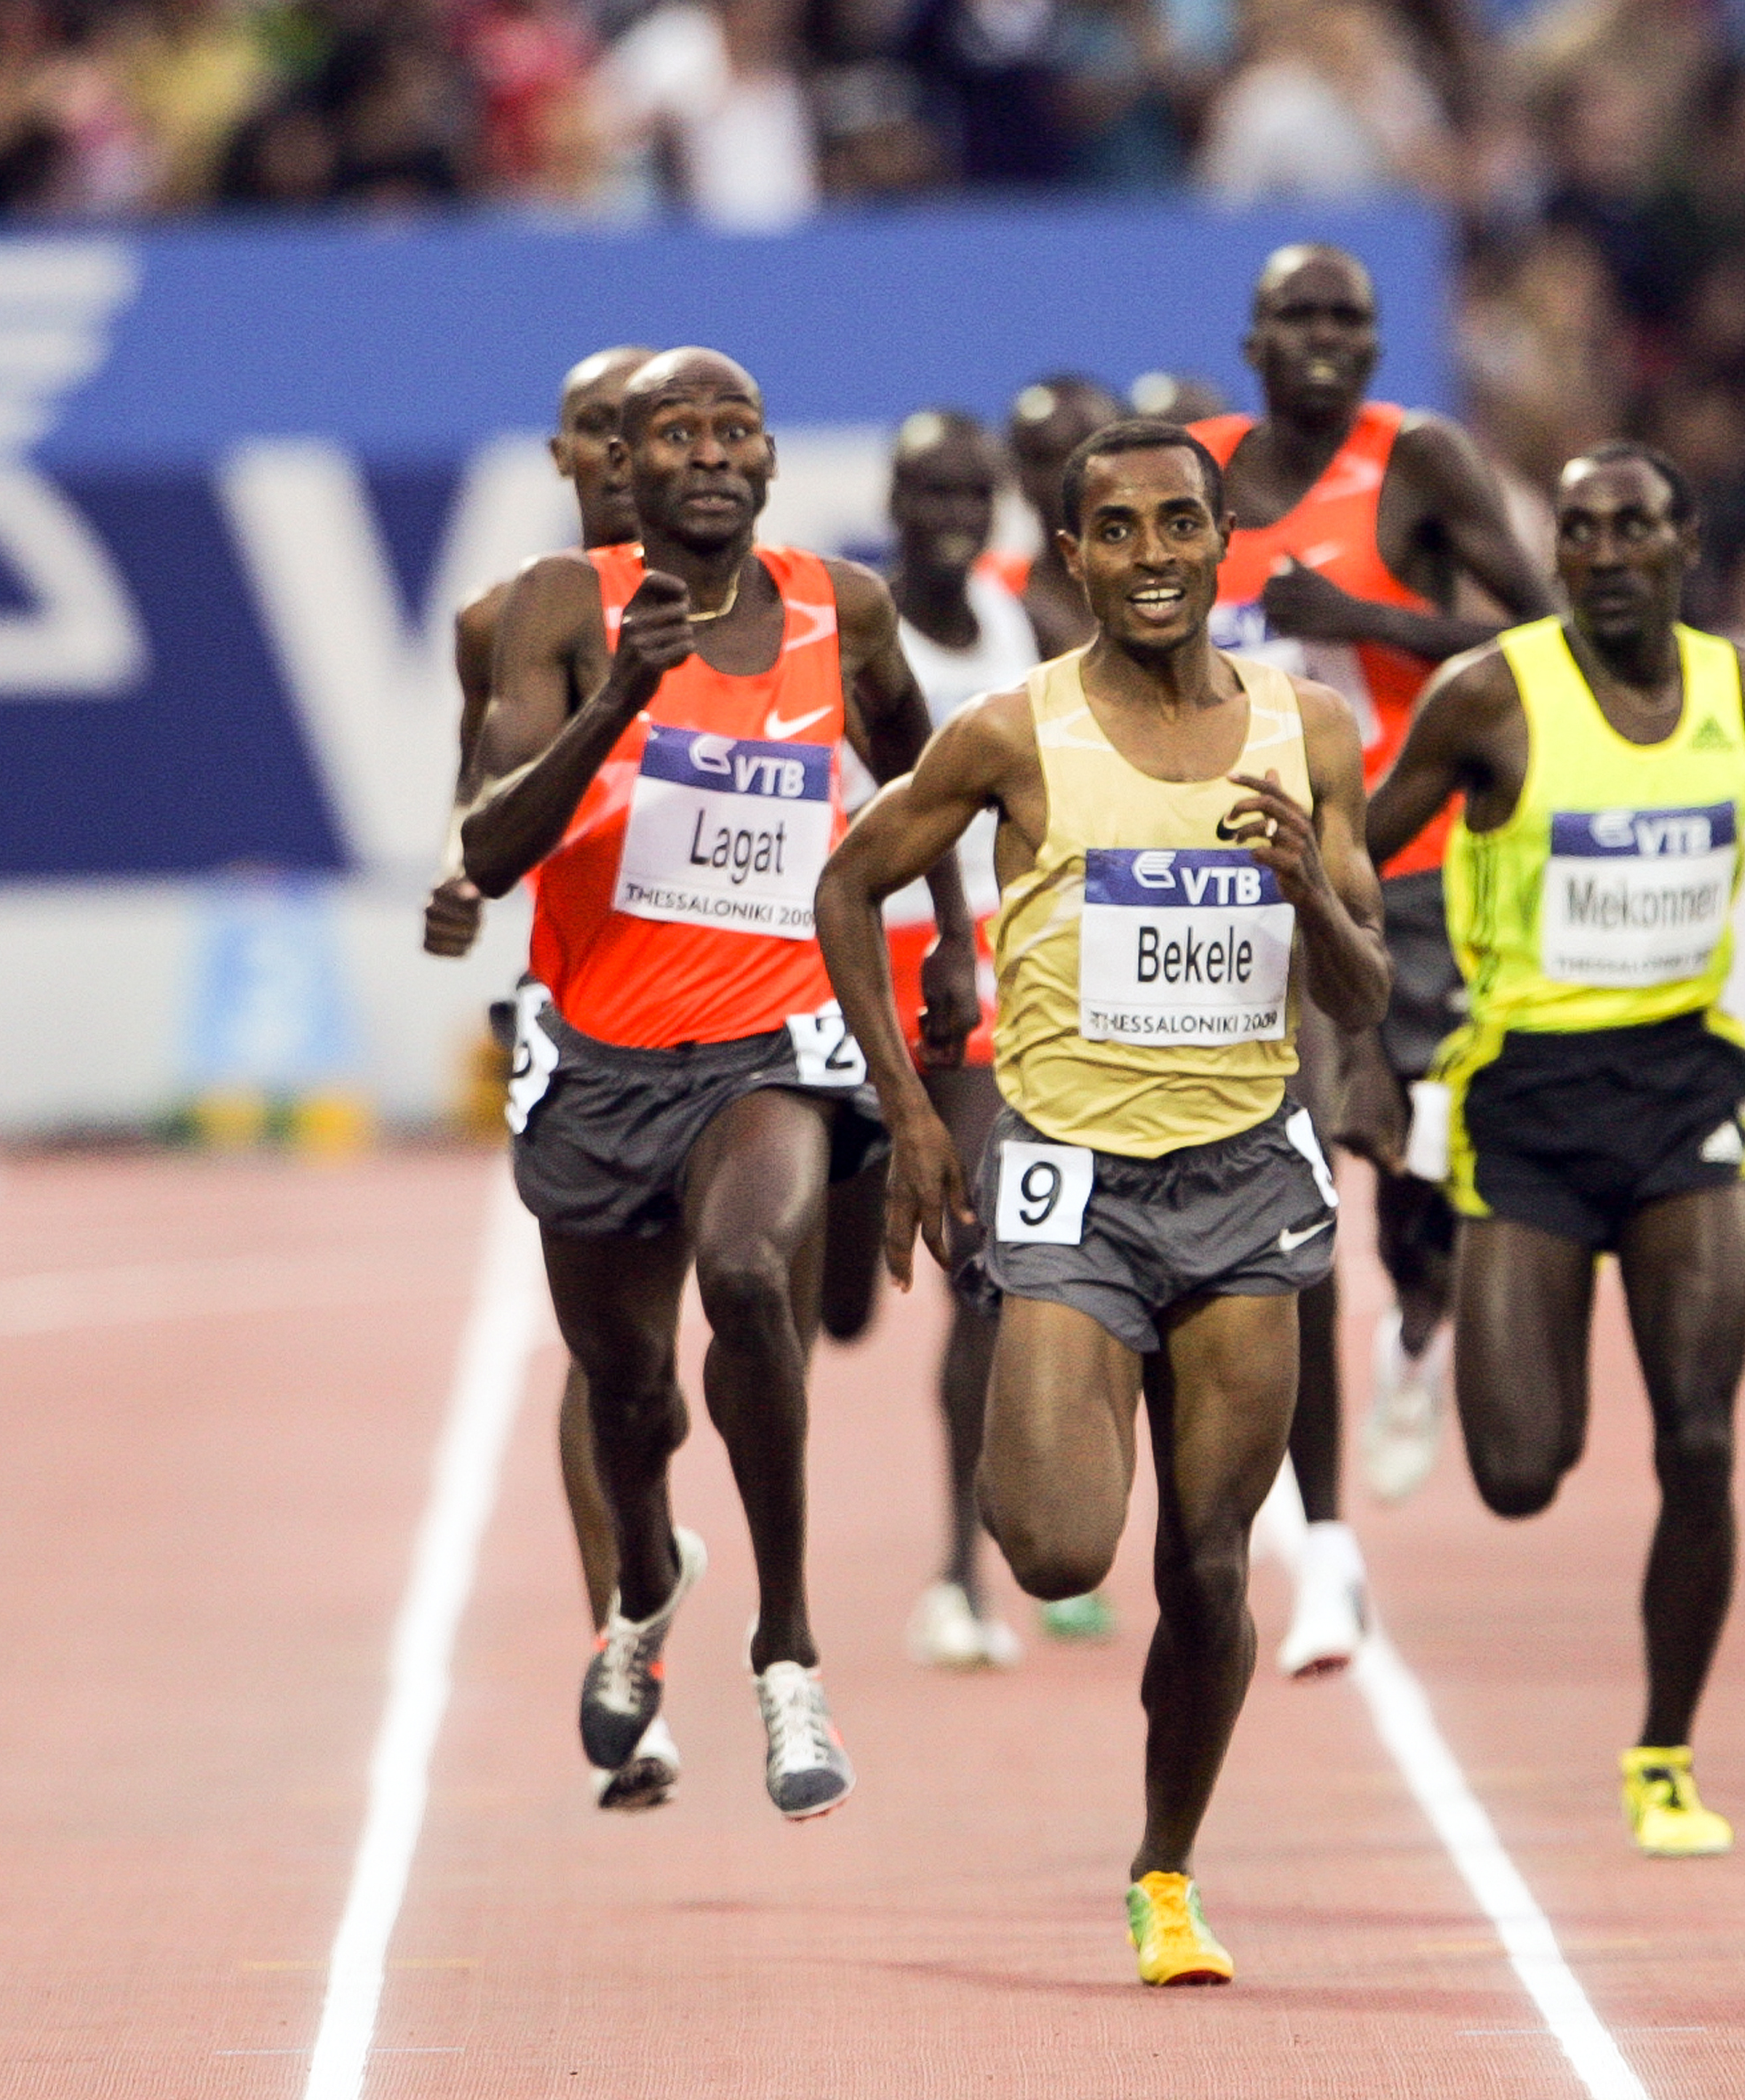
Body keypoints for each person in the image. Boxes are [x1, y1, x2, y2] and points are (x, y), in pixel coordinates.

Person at [817, 421, 1390, 1984]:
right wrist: (911, 1105)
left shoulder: (1309, 728)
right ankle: (1077, 1408)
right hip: (1072, 1180)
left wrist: (1300, 899)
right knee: (1061, 1553)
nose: (1151, 556)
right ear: (1070, 557)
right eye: (1117, 531)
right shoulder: (1010, 731)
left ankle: (1164, 1871)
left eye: (1179, 526)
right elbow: (847, 883)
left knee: (1206, 1561)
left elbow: (1363, 978)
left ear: (1223, 545)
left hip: (1245, 1186)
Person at [422, 349, 948, 1804]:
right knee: (628, 1388)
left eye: (738, 432)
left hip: (770, 1036)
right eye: (672, 435)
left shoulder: (841, 609)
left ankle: (788, 1654)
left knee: (742, 1278)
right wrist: (615, 703)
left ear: (768, 462)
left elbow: (929, 775)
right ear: (618, 467)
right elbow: (487, 840)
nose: (709, 454)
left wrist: (951, 939)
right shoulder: (547, 611)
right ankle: (645, 1577)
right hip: (595, 1043)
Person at [1365, 443, 1745, 1857]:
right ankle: (1425, 1306)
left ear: (1683, 538)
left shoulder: (1741, 695)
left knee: (1701, 1434)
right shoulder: (1491, 695)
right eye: (1578, 529)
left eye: (1630, 526)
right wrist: (1350, 1030)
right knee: (1521, 1472)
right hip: (1524, 1104)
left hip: (1681, 1092)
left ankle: (1662, 1751)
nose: (1601, 550)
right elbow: (1356, 856)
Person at [1189, 240, 1554, 1679]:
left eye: (1351, 318)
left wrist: (1368, 621)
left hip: (1408, 873)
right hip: (1241, 895)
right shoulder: (1198, 473)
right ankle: (1325, 1544)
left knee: (1419, 1178)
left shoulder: (1420, 462)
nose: (1328, 340)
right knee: (1297, 1195)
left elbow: (1541, 633)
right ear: (1253, 335)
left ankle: (1423, 1320)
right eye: (1300, 317)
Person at [874, 405, 1085, 1670]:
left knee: (984, 1266)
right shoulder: (856, 630)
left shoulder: (1027, 628)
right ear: (893, 502)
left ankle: (960, 1574)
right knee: (837, 1298)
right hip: (845, 962)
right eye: (931, 494)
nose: (954, 515)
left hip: (976, 969)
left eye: (973, 496)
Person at [1001, 373, 1123, 655]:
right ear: (1018, 476)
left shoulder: (1195, 588)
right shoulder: (993, 603)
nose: (1071, 479)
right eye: (1046, 459)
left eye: (1091, 457)